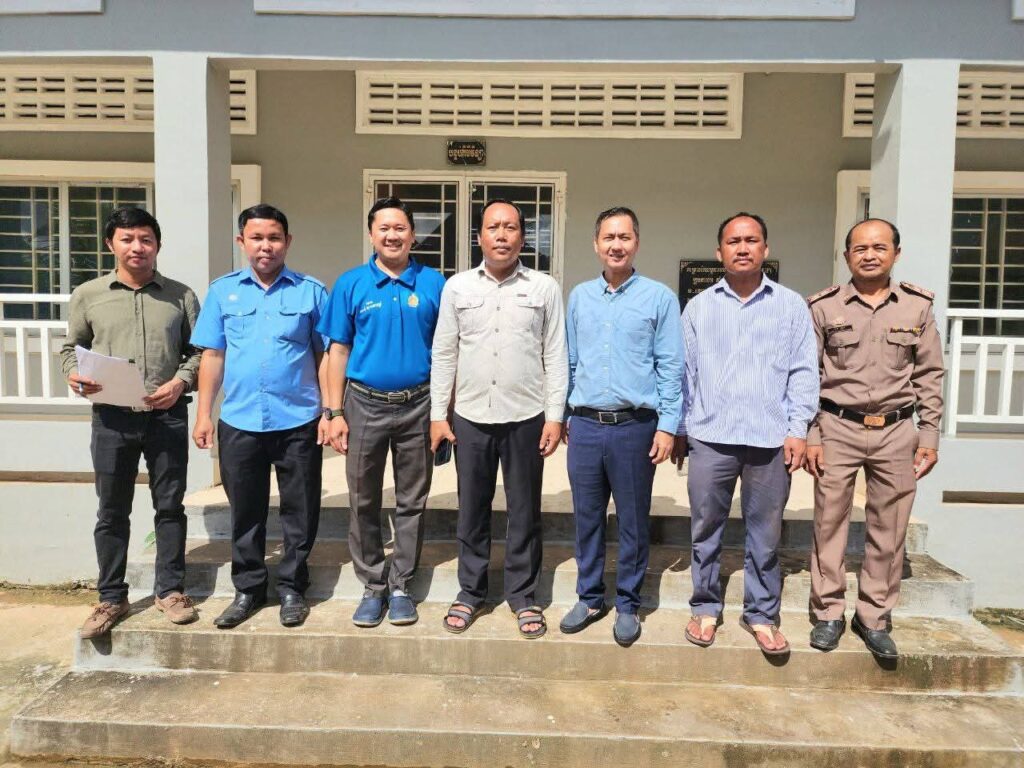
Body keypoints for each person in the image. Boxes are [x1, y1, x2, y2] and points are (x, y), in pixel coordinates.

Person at [673, 212, 818, 655]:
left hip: (770, 440)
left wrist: (798, 430)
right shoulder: (699, 307)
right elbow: (685, 374)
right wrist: (681, 429)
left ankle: (761, 613)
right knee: (705, 528)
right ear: (719, 252)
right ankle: (705, 607)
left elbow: (804, 372)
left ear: (765, 249)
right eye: (733, 241)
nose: (742, 248)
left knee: (766, 534)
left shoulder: (790, 305)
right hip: (710, 437)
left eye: (751, 240)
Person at [804, 218, 943, 660]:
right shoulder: (823, 307)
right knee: (829, 523)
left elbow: (929, 374)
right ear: (847, 256)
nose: (869, 255)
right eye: (860, 248)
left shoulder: (917, 307)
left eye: (879, 247)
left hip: (897, 431)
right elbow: (808, 376)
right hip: (837, 427)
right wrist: (812, 433)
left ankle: (874, 616)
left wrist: (930, 433)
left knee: (890, 526)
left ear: (896, 254)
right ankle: (828, 612)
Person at [430, 199, 568, 639]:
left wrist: (555, 415)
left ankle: (523, 595)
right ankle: (470, 591)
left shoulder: (544, 287)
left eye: (511, 227)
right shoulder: (457, 288)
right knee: (472, 508)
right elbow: (444, 353)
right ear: (479, 237)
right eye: (494, 227)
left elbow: (556, 354)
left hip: (527, 416)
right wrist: (437, 414)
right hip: (470, 416)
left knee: (524, 509)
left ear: (523, 238)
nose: (502, 235)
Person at [61, 206, 201, 638]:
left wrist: (181, 382)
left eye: (145, 239)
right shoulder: (88, 295)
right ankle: (111, 597)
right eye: (127, 239)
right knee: (111, 510)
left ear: (157, 245)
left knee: (170, 507)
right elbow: (71, 348)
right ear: (111, 244)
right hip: (111, 419)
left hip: (166, 416)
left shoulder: (180, 296)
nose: (137, 247)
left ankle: (170, 591)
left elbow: (200, 352)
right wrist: (74, 375)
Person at [191, 204, 328, 629]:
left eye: (274, 238)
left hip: (299, 420)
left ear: (287, 242)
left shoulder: (311, 292)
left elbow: (325, 355)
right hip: (240, 420)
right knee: (245, 511)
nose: (265, 246)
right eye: (256, 238)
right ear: (242, 242)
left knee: (299, 510)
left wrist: (330, 411)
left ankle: (291, 587)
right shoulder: (222, 292)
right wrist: (204, 415)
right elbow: (212, 356)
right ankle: (248, 589)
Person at [316, 197, 445, 628]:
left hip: (419, 405)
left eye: (400, 228)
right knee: (363, 498)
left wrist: (443, 413)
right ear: (371, 234)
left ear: (413, 235)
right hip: (363, 404)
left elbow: (448, 352)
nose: (392, 236)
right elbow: (337, 352)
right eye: (384, 228)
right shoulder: (351, 284)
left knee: (412, 499)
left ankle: (401, 584)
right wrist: (333, 411)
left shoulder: (434, 284)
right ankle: (373, 585)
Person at [559, 206, 683, 647]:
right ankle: (590, 597)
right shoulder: (579, 297)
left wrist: (668, 426)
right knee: (587, 518)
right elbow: (570, 362)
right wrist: (563, 415)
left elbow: (671, 366)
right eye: (609, 237)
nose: (616, 245)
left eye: (624, 237)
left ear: (636, 243)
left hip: (635, 428)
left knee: (632, 520)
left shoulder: (659, 298)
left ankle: (628, 602)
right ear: (596, 244)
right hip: (586, 426)